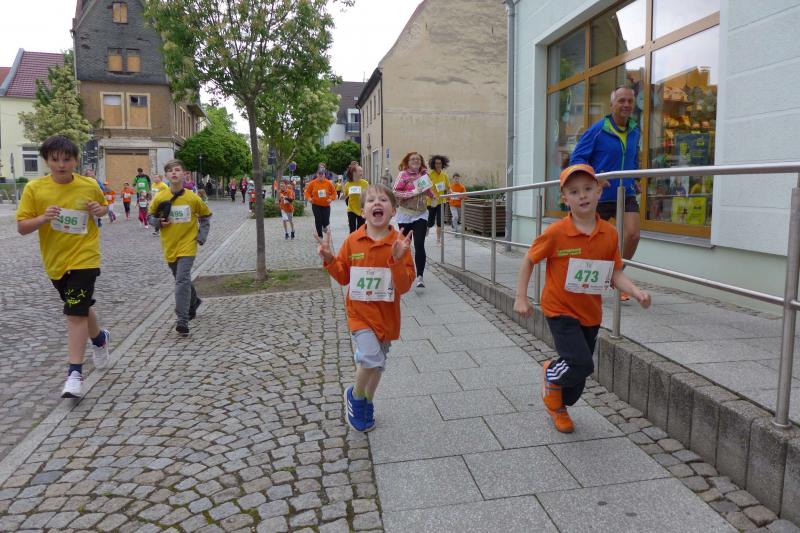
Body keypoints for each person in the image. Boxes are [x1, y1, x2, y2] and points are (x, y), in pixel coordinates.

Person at [513, 164, 651, 433]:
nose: (583, 195)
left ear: (599, 191)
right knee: (582, 363)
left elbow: (614, 272)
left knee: (576, 384)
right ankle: (552, 378)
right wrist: (521, 297)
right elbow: (529, 259)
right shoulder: (556, 233)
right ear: (565, 199)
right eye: (574, 191)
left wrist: (636, 292)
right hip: (559, 309)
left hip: (590, 313)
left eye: (588, 188)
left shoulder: (609, 234)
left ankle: (559, 399)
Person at [16, 135, 111, 398]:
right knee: (79, 306)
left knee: (74, 314)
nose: (61, 165)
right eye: (55, 159)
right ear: (46, 161)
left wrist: (99, 210)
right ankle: (100, 339)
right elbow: (22, 227)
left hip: (85, 257)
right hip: (55, 261)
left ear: (76, 161)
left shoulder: (88, 184)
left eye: (67, 159)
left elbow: (104, 208)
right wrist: (43, 218)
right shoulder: (35, 189)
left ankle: (74, 375)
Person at [316, 184, 415, 432]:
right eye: (371, 200)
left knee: (377, 365)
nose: (377, 203)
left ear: (393, 211)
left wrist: (397, 259)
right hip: (359, 314)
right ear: (362, 212)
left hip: (387, 317)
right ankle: (356, 396)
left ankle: (368, 401)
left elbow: (404, 286)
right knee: (370, 358)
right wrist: (329, 258)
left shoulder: (400, 243)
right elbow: (342, 277)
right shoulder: (353, 241)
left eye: (383, 200)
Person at [570, 85, 641, 300]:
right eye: (621, 101)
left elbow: (633, 158)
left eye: (630, 101)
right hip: (600, 194)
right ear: (612, 104)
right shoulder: (598, 129)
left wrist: (636, 178)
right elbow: (577, 159)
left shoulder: (635, 130)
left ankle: (615, 276)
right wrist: (595, 177)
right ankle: (583, 284)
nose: (626, 105)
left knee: (632, 235)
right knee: (590, 242)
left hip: (626, 192)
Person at [149, 159, 211, 336]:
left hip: (188, 245)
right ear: (166, 175)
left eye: (177, 170)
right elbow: (150, 217)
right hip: (169, 245)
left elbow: (206, 216)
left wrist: (201, 236)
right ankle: (194, 301)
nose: (174, 173)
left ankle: (182, 320)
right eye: (170, 171)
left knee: (181, 280)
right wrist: (158, 222)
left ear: (184, 174)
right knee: (181, 279)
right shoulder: (160, 197)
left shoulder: (192, 198)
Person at [392, 151, 434, 288]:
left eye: (418, 159)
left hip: (421, 214)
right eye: (413, 159)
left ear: (421, 162)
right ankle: (403, 271)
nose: (416, 161)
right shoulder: (403, 175)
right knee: (405, 245)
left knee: (419, 244)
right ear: (408, 162)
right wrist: (411, 193)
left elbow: (428, 191)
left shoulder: (424, 175)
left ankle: (420, 276)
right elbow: (395, 192)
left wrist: (433, 196)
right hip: (405, 214)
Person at [304, 166, 336, 238]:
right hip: (316, 204)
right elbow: (307, 192)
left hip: (326, 205)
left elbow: (334, 193)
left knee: (326, 221)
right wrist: (309, 198)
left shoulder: (328, 183)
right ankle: (320, 235)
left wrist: (331, 199)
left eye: (322, 174)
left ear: (324, 175)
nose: (321, 175)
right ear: (317, 174)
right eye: (319, 174)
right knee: (318, 219)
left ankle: (324, 227)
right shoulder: (312, 183)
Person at [426, 155, 451, 245]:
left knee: (440, 222)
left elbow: (448, 188)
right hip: (431, 201)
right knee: (430, 221)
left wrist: (451, 193)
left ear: (442, 164)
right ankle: (428, 227)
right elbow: (425, 188)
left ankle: (438, 240)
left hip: (441, 201)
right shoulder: (429, 175)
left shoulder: (444, 175)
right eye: (436, 163)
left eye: (440, 163)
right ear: (433, 164)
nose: (438, 165)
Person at [344, 163, 369, 233]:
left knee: (361, 229)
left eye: (362, 171)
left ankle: (360, 239)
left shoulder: (365, 183)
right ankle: (352, 240)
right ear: (354, 173)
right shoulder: (348, 184)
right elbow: (346, 196)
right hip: (351, 209)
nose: (362, 173)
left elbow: (369, 195)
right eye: (360, 171)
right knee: (352, 229)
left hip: (362, 209)